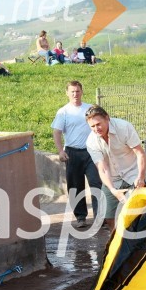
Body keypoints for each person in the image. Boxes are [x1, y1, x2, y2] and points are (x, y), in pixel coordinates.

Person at [85, 106, 146, 231]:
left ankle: (139, 244)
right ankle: (118, 243)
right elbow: (102, 168)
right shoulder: (91, 142)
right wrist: (113, 190)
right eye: (92, 126)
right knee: (109, 216)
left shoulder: (124, 127)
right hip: (112, 178)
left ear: (107, 118)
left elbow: (140, 153)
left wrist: (140, 177)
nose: (96, 129)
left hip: (133, 173)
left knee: (136, 214)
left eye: (98, 124)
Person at [52, 81, 102, 229]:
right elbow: (57, 132)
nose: (75, 94)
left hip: (91, 151)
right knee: (75, 186)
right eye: (72, 91)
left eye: (78, 91)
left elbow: (100, 126)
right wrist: (61, 151)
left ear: (82, 92)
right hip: (72, 153)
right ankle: (81, 217)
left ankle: (100, 217)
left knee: (96, 183)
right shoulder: (63, 112)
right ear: (67, 93)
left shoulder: (90, 109)